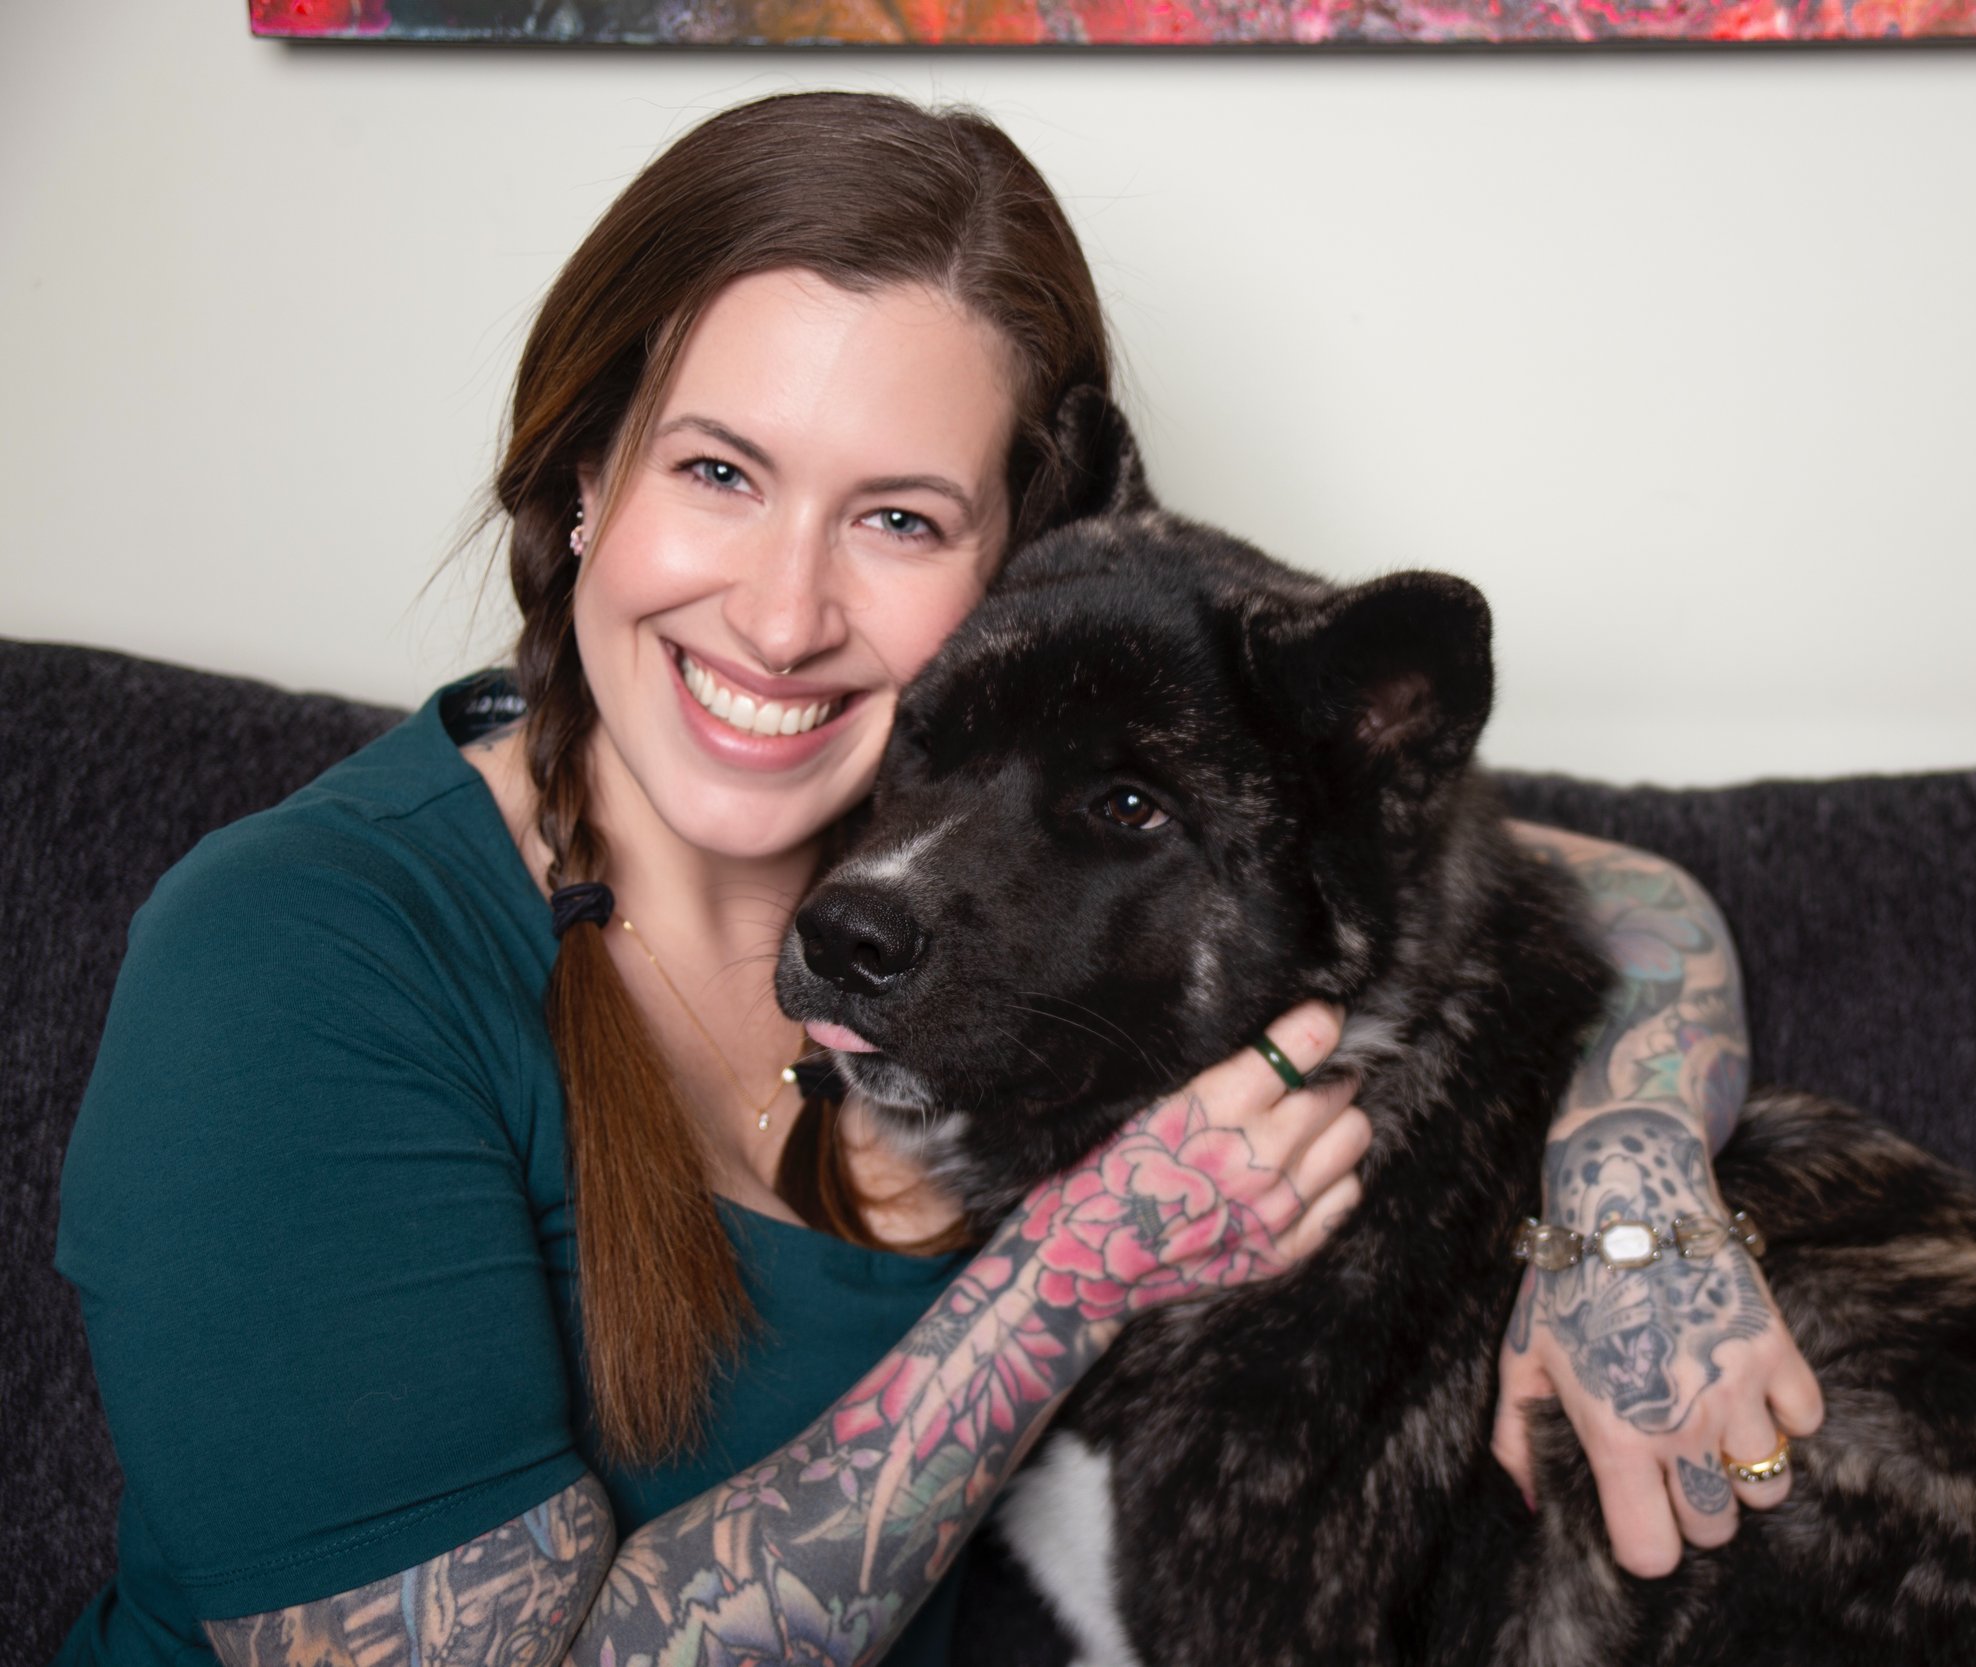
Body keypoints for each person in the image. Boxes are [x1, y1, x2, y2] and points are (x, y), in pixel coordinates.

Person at [51, 91, 1821, 1667]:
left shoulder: (982, 853)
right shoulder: (292, 962)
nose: (782, 611)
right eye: (719, 472)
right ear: (587, 477)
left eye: (898, 519)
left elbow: (1603, 898)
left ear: (1020, 565)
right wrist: (1064, 1277)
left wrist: (1633, 1188)